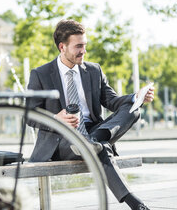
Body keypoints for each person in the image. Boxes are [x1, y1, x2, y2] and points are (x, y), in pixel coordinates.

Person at [27, 19, 154, 210]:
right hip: (63, 139)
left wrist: (136, 96)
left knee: (133, 110)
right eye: (78, 46)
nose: (83, 51)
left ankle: (94, 140)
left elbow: (112, 101)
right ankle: (134, 203)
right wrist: (55, 119)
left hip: (94, 130)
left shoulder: (94, 70)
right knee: (101, 148)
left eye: (84, 45)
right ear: (62, 47)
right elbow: (29, 115)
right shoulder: (41, 74)